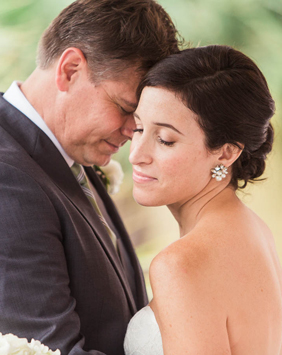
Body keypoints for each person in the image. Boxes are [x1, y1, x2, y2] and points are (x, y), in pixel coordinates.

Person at [0, 1, 180, 354]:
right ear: (69, 69)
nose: (133, 132)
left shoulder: (67, 153)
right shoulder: (8, 181)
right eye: (126, 108)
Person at [124, 45, 282, 354]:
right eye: (139, 127)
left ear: (226, 152)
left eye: (165, 140)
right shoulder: (254, 230)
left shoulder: (180, 265)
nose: (136, 154)